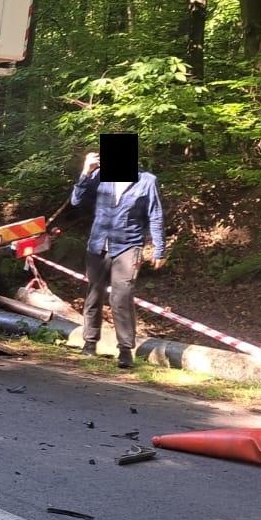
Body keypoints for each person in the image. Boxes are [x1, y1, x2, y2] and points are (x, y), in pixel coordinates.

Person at [70, 151, 166, 370]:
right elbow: (76, 201)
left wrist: (159, 249)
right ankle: (89, 342)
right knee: (94, 294)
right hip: (98, 245)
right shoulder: (100, 176)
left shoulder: (147, 181)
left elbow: (156, 215)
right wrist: (86, 171)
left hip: (128, 246)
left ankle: (125, 349)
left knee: (122, 297)